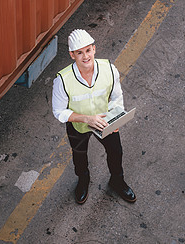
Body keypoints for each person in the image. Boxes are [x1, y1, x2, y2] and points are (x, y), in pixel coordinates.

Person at [52, 29, 136, 204]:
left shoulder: (109, 69)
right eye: (79, 52)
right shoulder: (63, 80)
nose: (85, 56)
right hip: (79, 125)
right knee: (79, 155)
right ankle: (83, 181)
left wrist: (116, 117)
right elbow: (59, 111)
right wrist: (86, 119)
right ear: (71, 55)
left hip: (105, 121)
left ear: (94, 49)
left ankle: (117, 181)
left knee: (116, 152)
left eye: (88, 50)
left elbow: (116, 96)